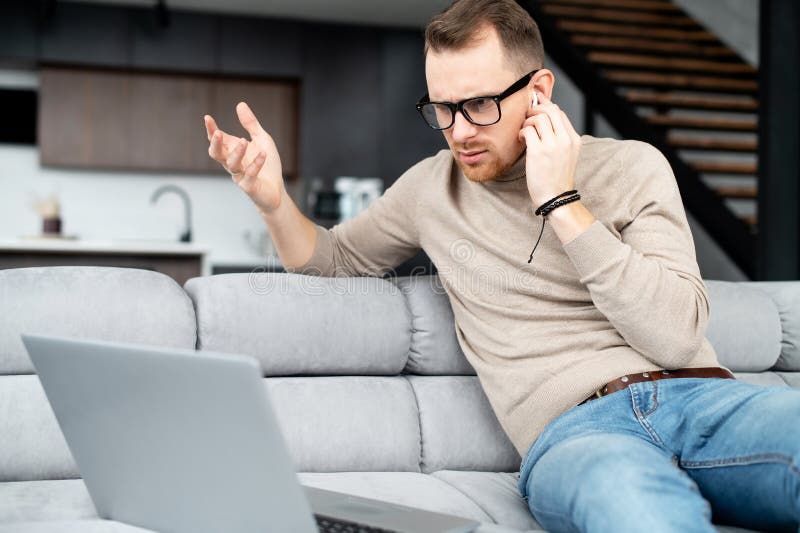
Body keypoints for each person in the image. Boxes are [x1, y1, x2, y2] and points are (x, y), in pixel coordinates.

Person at [203, 1, 800, 531]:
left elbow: (675, 335)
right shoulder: (430, 189)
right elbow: (330, 262)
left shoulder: (633, 166)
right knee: (637, 508)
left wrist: (562, 202)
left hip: (707, 401)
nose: (459, 132)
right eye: (442, 108)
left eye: (481, 105)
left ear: (539, 92)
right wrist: (274, 202)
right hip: (580, 435)